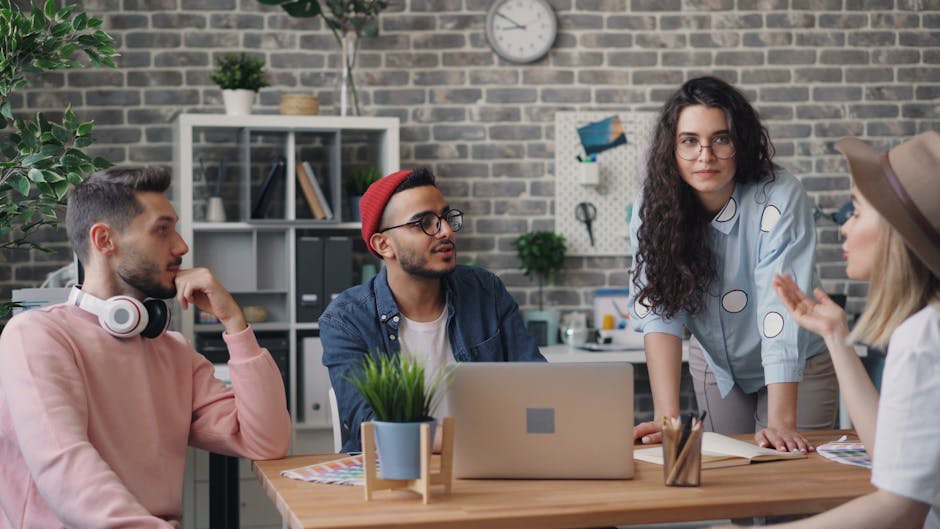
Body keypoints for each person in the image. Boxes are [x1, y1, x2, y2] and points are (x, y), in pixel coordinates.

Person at [0, 167, 291, 528]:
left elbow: (267, 441)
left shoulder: (172, 350)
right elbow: (65, 468)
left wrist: (235, 322)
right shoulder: (35, 336)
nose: (182, 246)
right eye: (162, 229)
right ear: (105, 240)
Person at [718, 133, 940, 528]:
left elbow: (901, 511)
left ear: (894, 231)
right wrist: (836, 335)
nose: (844, 228)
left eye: (855, 212)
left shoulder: (923, 338)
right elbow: (891, 456)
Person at [629, 76, 837, 452]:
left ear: (740, 143)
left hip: (798, 366)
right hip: (717, 366)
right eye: (689, 141)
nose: (705, 156)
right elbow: (660, 310)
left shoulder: (779, 195)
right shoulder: (653, 204)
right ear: (671, 148)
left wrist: (781, 423)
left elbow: (781, 311)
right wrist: (666, 421)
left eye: (721, 139)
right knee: (735, 482)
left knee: (786, 489)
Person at [320, 167, 545, 453]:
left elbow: (537, 387)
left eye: (445, 218)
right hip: (394, 477)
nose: (447, 231)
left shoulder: (485, 291)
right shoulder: (346, 320)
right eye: (424, 223)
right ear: (384, 245)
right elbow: (369, 425)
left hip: (495, 467)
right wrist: (474, 439)